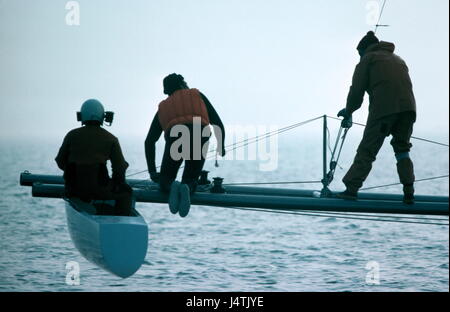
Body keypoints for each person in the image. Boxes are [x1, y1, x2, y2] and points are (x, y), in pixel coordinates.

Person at [336, 31, 417, 204]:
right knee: (402, 150)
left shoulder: (368, 59)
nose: (359, 58)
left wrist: (349, 111)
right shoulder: (398, 59)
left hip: (384, 111)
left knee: (367, 149)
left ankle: (351, 190)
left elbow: (357, 91)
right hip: (408, 110)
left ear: (364, 50)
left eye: (359, 54)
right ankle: (409, 193)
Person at [145, 73, 226, 217]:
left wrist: (152, 171)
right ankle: (187, 186)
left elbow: (149, 141)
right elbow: (217, 123)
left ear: (167, 91)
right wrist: (221, 146)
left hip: (176, 137)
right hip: (199, 133)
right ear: (182, 84)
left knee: (165, 181)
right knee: (190, 178)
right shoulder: (197, 95)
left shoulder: (163, 107)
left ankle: (171, 186)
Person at [55, 99, 133, 215]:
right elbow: (120, 168)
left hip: (73, 190)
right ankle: (120, 219)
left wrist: (75, 174)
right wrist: (117, 184)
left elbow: (60, 161)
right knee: (127, 193)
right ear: (102, 116)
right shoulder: (111, 138)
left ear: (82, 116)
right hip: (100, 190)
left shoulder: (71, 135)